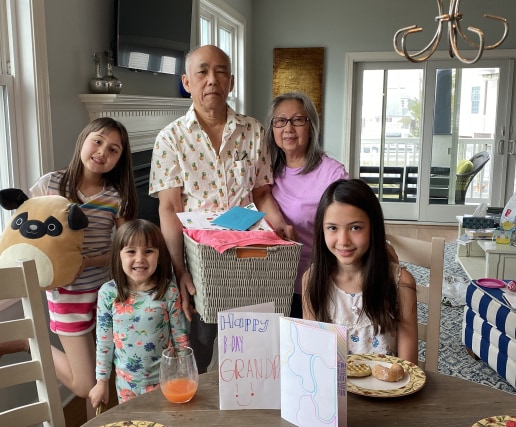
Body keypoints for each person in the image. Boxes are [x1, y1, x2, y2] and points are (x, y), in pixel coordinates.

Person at [149, 45, 290, 373]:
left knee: (252, 343)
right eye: (202, 71)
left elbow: (262, 193)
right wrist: (179, 269)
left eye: (221, 71)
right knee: (201, 340)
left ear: (231, 81)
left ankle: (249, 409)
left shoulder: (254, 131)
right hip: (202, 262)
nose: (212, 79)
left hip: (249, 254)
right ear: (187, 81)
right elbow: (169, 208)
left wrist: (279, 224)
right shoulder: (170, 139)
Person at [0, 117, 138, 416]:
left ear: (120, 159)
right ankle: (31, 345)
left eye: (113, 150)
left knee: (102, 375)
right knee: (85, 385)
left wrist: (91, 263)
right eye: (97, 141)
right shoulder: (50, 184)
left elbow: (123, 247)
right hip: (67, 295)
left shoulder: (115, 197)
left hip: (105, 291)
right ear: (83, 140)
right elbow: (26, 231)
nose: (102, 152)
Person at [302, 179, 418, 364]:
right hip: (334, 389)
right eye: (332, 228)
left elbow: (408, 366)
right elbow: (312, 351)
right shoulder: (312, 279)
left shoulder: (400, 281)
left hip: (387, 390)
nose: (343, 240)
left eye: (355, 227)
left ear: (373, 228)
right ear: (321, 230)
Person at [265, 92, 349, 319]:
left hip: (318, 284)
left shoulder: (332, 173)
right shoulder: (267, 171)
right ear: (272, 129)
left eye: (298, 120)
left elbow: (352, 222)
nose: (288, 128)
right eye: (280, 121)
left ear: (311, 126)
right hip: (272, 282)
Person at [88, 219, 188, 406]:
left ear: (159, 256)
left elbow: (180, 337)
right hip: (126, 385)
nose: (140, 258)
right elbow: (104, 342)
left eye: (148, 251)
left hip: (165, 380)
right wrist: (101, 383)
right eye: (131, 251)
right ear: (119, 255)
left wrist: (186, 373)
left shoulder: (169, 291)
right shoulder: (108, 293)